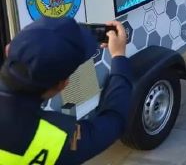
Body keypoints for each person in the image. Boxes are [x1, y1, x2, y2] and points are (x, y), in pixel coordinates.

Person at [0, 17, 132, 165]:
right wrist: (118, 56)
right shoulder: (57, 138)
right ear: (62, 85)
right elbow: (114, 121)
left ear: (8, 49)